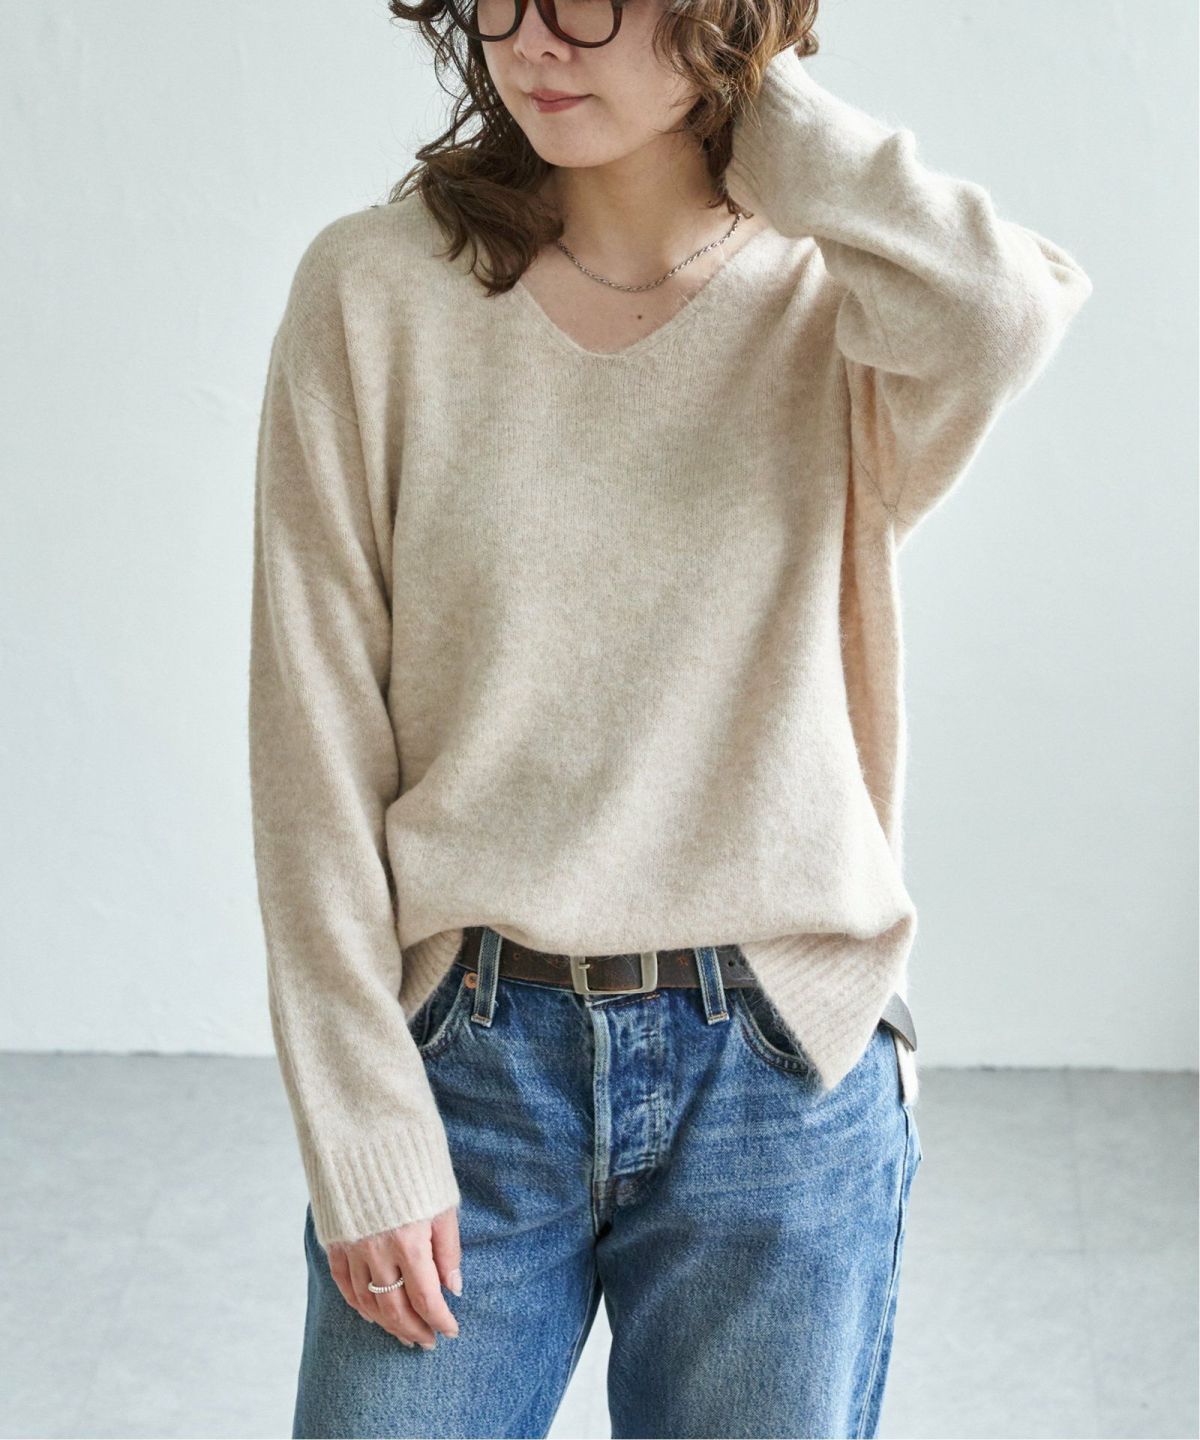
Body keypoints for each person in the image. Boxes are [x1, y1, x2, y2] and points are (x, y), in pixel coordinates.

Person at [247, 0, 1093, 1433]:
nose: (534, 43)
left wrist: (759, 105)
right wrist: (362, 1128)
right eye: (501, 1)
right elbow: (310, 743)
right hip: (468, 1057)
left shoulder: (840, 308)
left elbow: (1003, 309)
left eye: (591, 1)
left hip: (774, 1066)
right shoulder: (376, 291)